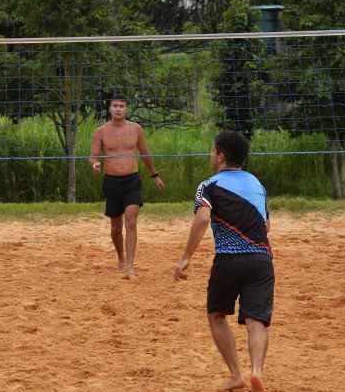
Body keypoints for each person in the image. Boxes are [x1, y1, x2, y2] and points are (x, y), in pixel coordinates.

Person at [173, 130, 274, 392]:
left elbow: (203, 219)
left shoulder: (209, 185)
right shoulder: (258, 185)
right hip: (262, 260)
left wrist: (185, 257)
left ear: (220, 155)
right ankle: (257, 371)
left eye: (212, 150)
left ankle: (235, 374)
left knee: (216, 314)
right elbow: (267, 225)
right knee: (256, 319)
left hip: (229, 260)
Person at [89, 94, 165, 279]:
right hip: (111, 182)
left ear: (126, 109)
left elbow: (145, 154)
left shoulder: (136, 129)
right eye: (115, 105)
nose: (118, 109)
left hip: (132, 180)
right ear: (109, 108)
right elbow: (93, 156)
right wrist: (95, 164)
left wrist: (154, 175)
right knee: (116, 228)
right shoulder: (101, 131)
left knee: (131, 221)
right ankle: (121, 257)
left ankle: (130, 266)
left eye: (122, 105)